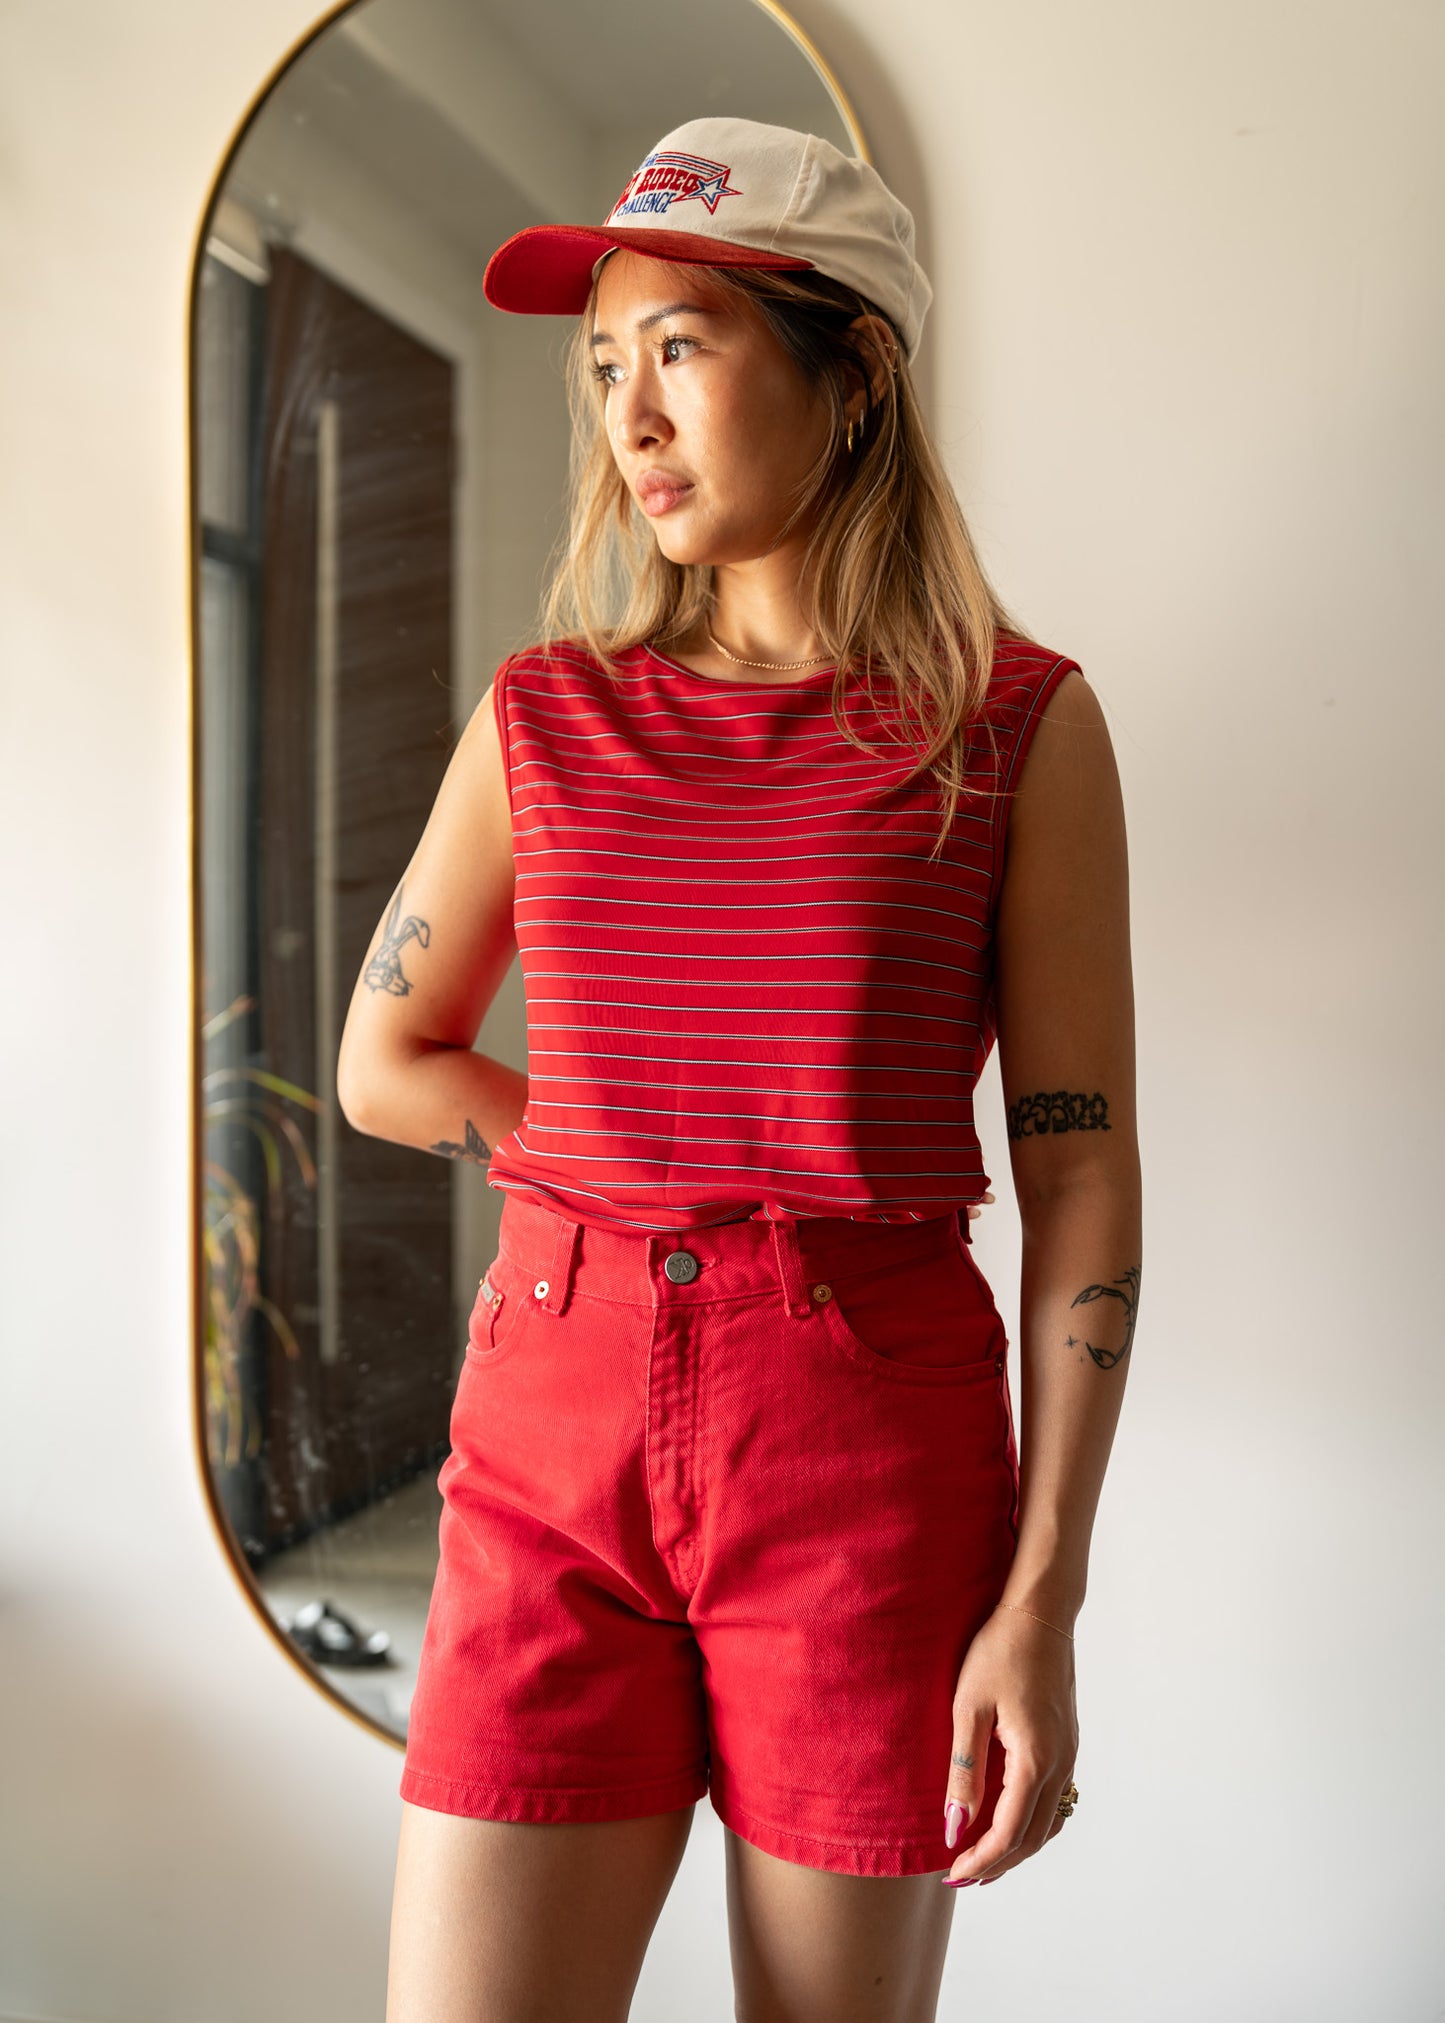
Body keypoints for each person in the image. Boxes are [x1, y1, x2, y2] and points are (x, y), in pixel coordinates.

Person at [339, 115, 1141, 2023]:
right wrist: (586, 1151)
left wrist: (1043, 1600)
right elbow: (390, 1056)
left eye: (681, 347)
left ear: (848, 372)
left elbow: (1083, 1168)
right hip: (549, 1432)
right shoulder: (546, 717)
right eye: (605, 365)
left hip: (864, 1450)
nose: (631, 416)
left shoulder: (1011, 729)